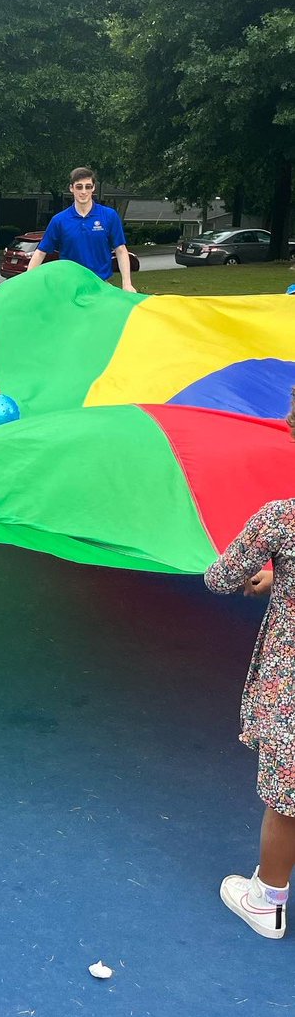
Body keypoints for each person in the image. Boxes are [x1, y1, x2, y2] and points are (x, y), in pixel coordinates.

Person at [204, 393, 295, 937]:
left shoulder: (283, 520)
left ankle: (268, 899)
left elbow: (219, 577)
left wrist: (257, 574)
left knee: (288, 798)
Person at [26, 167, 136, 292]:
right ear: (71, 188)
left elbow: (121, 250)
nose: (83, 191)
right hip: (69, 288)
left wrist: (127, 284)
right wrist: (27, 282)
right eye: (79, 187)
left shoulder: (109, 216)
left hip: (100, 287)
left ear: (93, 188)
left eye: (88, 186)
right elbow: (40, 253)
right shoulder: (59, 220)